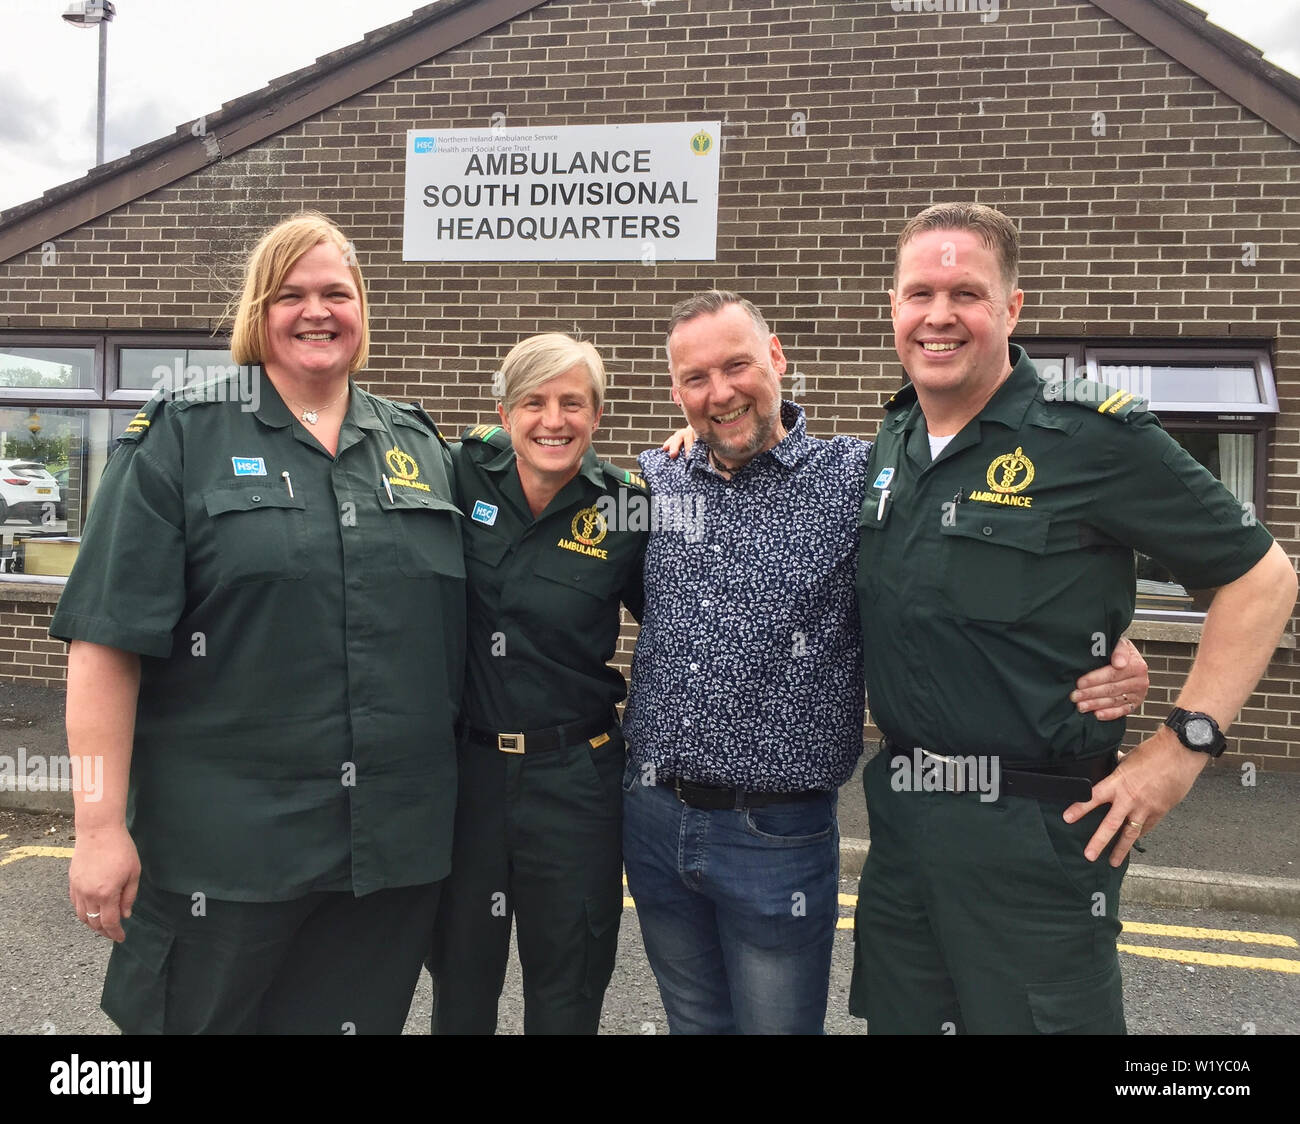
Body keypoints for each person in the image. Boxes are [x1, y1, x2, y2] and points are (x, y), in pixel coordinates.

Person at [623, 289, 1149, 1034]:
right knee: (694, 1026)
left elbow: (966, 569)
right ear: (677, 394)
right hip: (651, 817)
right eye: (696, 379)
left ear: (777, 357)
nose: (721, 391)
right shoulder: (654, 481)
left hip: (774, 834)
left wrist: (1100, 640)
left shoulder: (865, 479)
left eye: (737, 366)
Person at [850, 201, 1297, 1034]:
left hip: (1038, 837)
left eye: (966, 293)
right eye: (919, 293)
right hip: (903, 829)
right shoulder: (895, 440)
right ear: (893, 307)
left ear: (1012, 308)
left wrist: (1183, 745)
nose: (939, 315)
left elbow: (1262, 579)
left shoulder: (1089, 431)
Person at [50, 212, 466, 1034]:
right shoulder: (182, 434)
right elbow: (104, 642)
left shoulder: (417, 443)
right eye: (291, 294)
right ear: (258, 313)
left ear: (362, 309)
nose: (317, 311)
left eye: (336, 293)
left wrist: (676, 463)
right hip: (225, 855)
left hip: (383, 859)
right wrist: (97, 829)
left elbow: (541, 482)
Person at [429, 333, 648, 1034]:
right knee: (462, 987)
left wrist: (693, 441)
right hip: (468, 779)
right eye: (535, 402)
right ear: (503, 411)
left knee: (569, 988)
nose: (554, 419)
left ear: (597, 415)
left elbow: (681, 621)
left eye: (573, 403)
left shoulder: (626, 507)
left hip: (576, 781)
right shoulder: (455, 474)